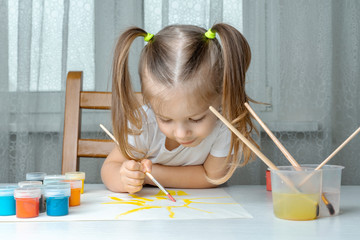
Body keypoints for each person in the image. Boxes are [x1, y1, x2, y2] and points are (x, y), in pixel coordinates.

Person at [101, 23, 258, 194]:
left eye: (196, 119)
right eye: (165, 119)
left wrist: (149, 174)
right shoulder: (143, 124)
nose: (181, 133)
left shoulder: (225, 124)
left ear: (222, 95)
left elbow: (212, 177)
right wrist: (124, 178)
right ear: (150, 104)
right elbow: (109, 168)